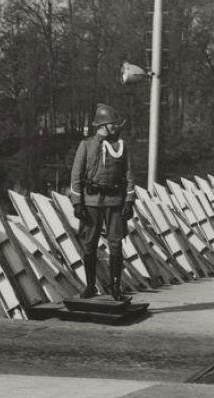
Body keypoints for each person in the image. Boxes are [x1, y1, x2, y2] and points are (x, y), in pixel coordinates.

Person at [69, 103, 135, 301]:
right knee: (89, 245)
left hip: (115, 202)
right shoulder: (86, 145)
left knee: (116, 244)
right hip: (91, 202)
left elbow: (130, 175)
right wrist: (77, 203)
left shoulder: (121, 146)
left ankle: (116, 288)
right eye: (112, 124)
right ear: (103, 125)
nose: (116, 127)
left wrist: (129, 201)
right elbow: (76, 175)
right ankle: (90, 286)